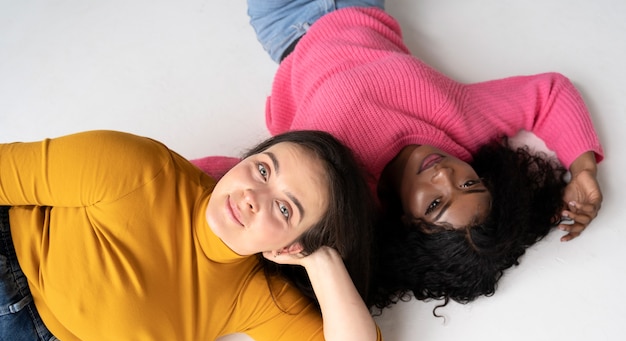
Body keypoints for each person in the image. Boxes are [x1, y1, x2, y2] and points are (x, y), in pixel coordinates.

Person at [190, 0, 604, 312]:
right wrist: (583, 168)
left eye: (438, 203)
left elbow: (238, 183)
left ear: (408, 224)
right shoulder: (464, 124)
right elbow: (548, 93)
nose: (443, 174)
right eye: (468, 182)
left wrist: (167, 179)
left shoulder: (346, 195)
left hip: (288, 25)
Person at [0, 129, 385, 341]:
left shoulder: (255, 299)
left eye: (284, 208)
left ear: (291, 247)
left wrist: (322, 261)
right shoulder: (138, 168)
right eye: (263, 169)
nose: (252, 195)